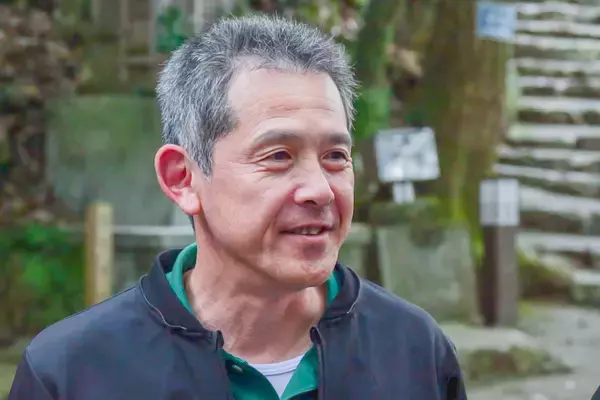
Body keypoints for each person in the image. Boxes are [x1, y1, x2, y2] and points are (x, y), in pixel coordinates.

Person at [9, 15, 466, 400]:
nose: (320, 190)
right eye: (279, 156)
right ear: (183, 178)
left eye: (335, 156)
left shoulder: (412, 351)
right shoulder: (72, 372)